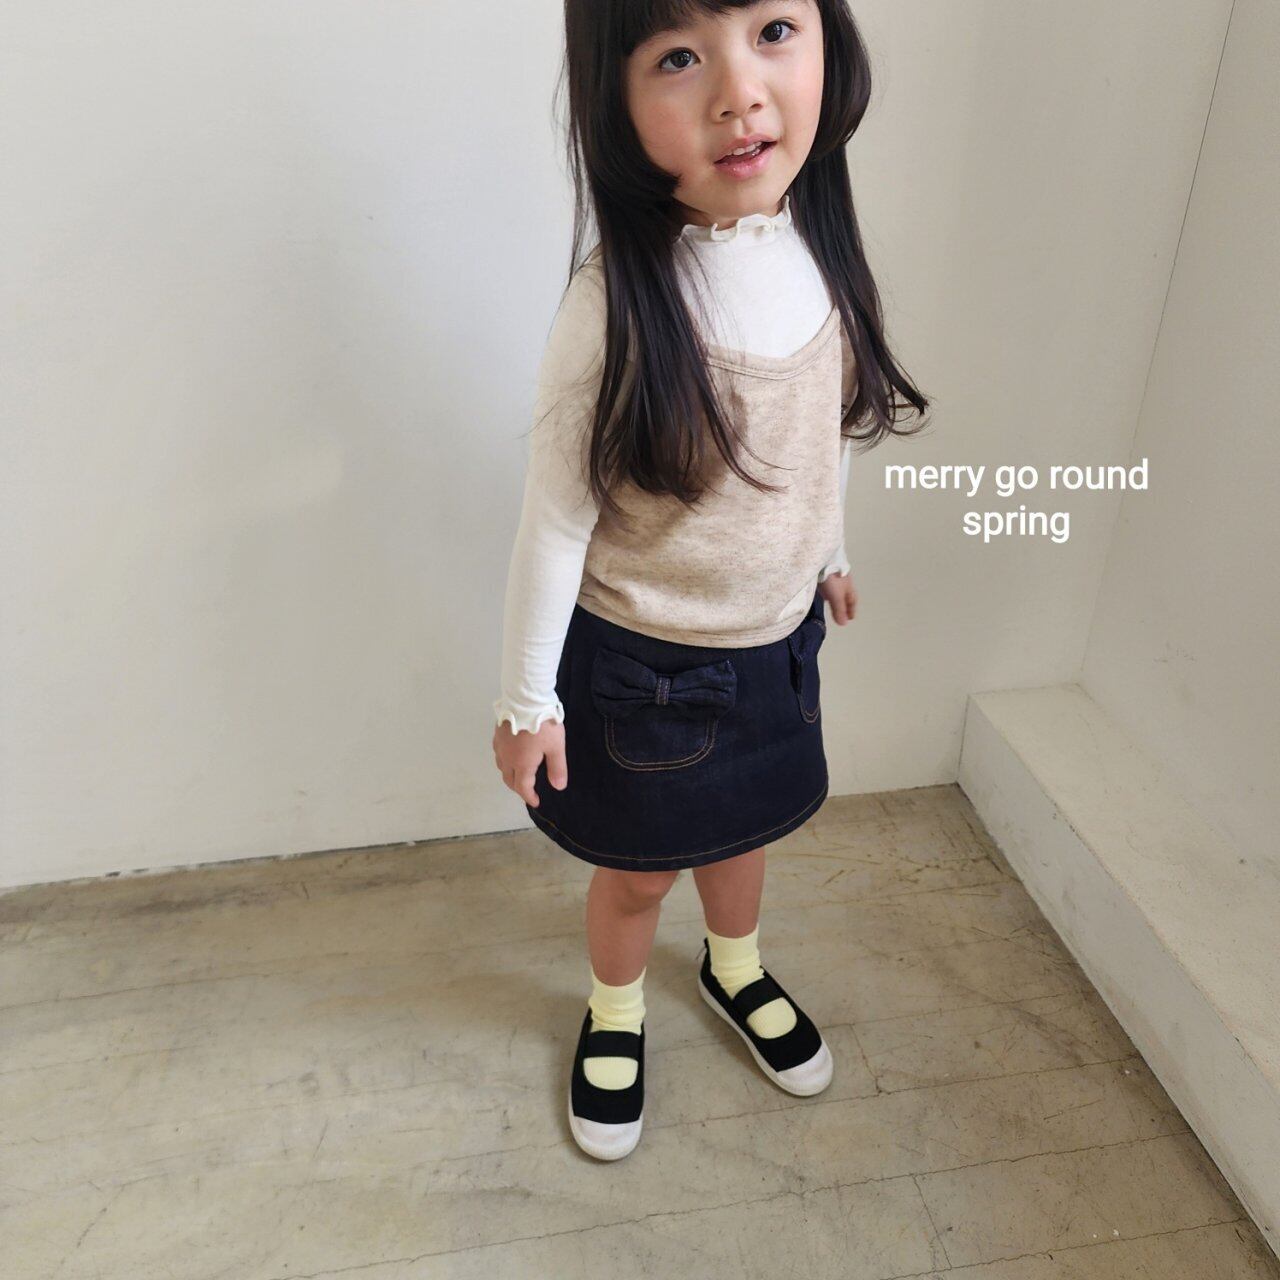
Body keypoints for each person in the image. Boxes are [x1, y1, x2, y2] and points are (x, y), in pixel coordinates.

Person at [491, 0, 928, 1162]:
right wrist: (526, 698)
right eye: (679, 56)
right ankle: (615, 1005)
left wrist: (828, 552)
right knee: (638, 877)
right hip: (647, 671)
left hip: (776, 647)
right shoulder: (613, 306)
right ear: (613, 98)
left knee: (744, 835)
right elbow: (553, 521)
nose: (739, 91)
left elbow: (824, 432)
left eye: (773, 30)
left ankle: (732, 965)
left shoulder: (817, 253)